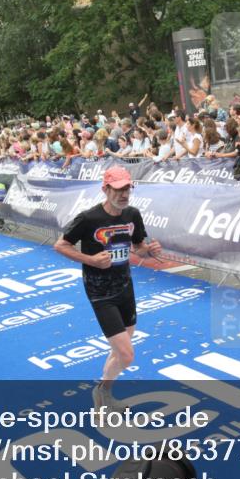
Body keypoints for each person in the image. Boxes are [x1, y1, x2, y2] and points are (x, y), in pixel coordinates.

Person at [54, 167, 162, 412]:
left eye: (127, 188)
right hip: (100, 292)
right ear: (105, 189)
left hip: (125, 287)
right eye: (118, 189)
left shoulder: (132, 214)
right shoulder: (88, 218)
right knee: (126, 355)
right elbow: (60, 245)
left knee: (119, 349)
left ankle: (106, 397)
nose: (124, 194)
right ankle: (101, 391)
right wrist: (91, 260)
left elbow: (138, 248)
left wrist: (150, 251)